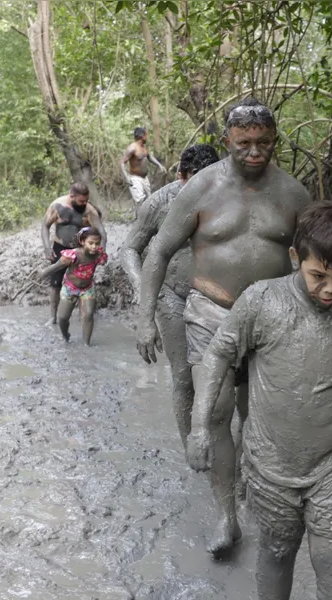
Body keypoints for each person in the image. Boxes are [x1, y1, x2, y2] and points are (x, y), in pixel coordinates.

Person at [187, 202, 332, 600]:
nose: (330, 288)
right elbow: (218, 355)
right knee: (276, 554)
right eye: (318, 276)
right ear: (296, 258)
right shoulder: (262, 301)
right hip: (270, 468)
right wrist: (199, 426)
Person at [135, 98, 311, 556]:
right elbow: (156, 252)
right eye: (244, 144)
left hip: (272, 317)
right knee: (215, 412)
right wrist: (144, 318)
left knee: (261, 417)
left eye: (264, 143)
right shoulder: (200, 188)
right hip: (210, 313)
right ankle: (226, 516)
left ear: (276, 142)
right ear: (226, 142)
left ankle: (263, 496)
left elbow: (319, 259)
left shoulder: (294, 194)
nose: (255, 152)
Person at [120, 144, 221, 448]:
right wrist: (144, 298)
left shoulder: (231, 196)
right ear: (180, 176)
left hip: (218, 297)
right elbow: (129, 250)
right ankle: (191, 449)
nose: (203, 189)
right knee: (185, 377)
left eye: (210, 180)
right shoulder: (159, 203)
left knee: (227, 375)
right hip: (171, 295)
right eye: (195, 181)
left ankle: (226, 448)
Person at [40, 182, 107, 326]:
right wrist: (46, 247)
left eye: (86, 200)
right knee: (55, 283)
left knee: (82, 281)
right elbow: (45, 226)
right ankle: (53, 317)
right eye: (81, 201)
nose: (85, 203)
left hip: (81, 251)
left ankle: (83, 314)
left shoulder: (89, 211)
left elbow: (102, 232)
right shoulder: (57, 206)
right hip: (60, 248)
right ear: (72, 196)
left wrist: (102, 251)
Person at [35, 227, 107, 346]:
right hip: (70, 288)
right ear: (83, 242)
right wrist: (43, 273)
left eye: (97, 244)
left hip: (87, 288)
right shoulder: (73, 255)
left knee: (88, 314)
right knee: (63, 318)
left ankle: (86, 344)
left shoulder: (98, 254)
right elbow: (56, 266)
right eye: (91, 243)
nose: (94, 246)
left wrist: (103, 259)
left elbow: (103, 260)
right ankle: (65, 336)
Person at [121, 126, 165, 209]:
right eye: (146, 135)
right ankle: (140, 221)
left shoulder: (144, 147)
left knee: (149, 200)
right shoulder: (132, 148)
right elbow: (122, 163)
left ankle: (147, 220)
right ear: (142, 136)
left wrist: (159, 165)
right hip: (135, 179)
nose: (147, 137)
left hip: (145, 179)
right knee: (140, 201)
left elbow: (150, 157)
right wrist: (126, 177)